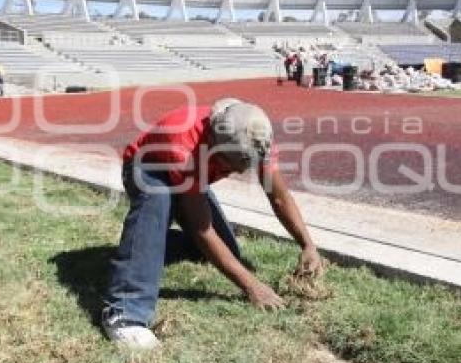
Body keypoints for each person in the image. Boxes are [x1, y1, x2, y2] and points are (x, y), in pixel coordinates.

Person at [102, 98, 323, 349]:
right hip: (148, 167)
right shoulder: (184, 144)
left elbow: (279, 198)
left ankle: (140, 246)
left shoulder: (255, 134)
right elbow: (201, 229)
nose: (238, 172)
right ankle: (125, 314)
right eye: (231, 164)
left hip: (190, 176)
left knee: (226, 251)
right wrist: (251, 286)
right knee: (159, 197)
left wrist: (308, 245)